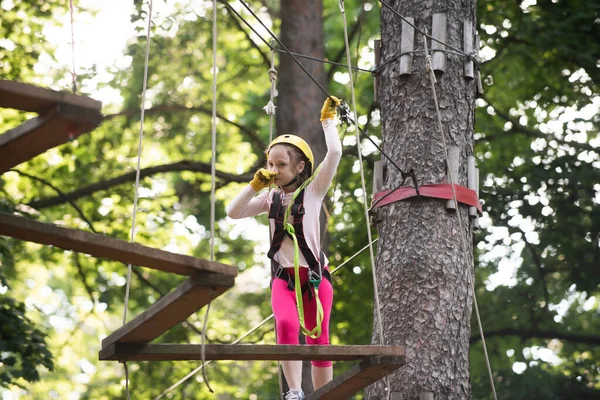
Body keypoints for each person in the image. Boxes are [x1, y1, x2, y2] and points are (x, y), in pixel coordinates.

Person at [226, 96, 342, 400]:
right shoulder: (270, 199)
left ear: (299, 167)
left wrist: (328, 122)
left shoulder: (314, 191)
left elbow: (335, 152)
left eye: (281, 165)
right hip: (284, 278)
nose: (274, 170)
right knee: (287, 326)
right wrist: (254, 186)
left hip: (315, 278)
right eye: (270, 164)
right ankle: (293, 391)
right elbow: (233, 212)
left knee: (319, 339)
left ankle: (324, 394)